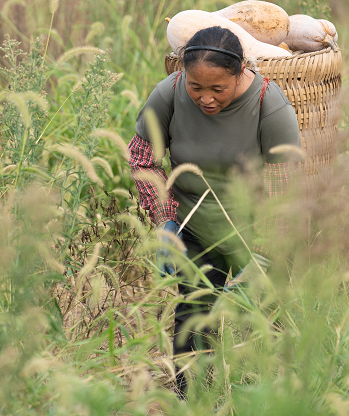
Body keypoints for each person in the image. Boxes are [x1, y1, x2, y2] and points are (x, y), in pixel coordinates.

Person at [127, 26, 301, 397]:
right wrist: (164, 219)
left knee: (263, 322)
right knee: (193, 319)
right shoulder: (170, 94)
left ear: (240, 73)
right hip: (195, 226)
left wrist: (261, 256)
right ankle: (191, 400)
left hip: (254, 229)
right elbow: (142, 157)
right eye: (196, 87)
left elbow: (281, 186)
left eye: (217, 89)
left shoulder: (270, 106)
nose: (205, 98)